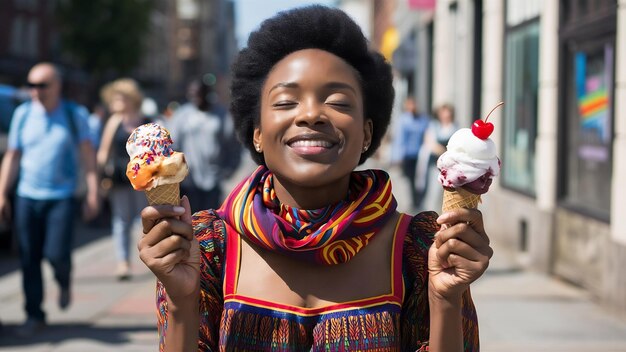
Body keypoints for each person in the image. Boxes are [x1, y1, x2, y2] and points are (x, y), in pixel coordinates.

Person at [139, 6, 491, 351]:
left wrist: (445, 299)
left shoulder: (422, 250)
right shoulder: (204, 249)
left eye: (337, 102)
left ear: (367, 134)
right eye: (286, 102)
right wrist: (180, 302)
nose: (311, 114)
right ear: (257, 132)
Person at [0, 62, 99, 336]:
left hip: (61, 197)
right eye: (31, 85)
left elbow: (88, 157)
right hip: (26, 196)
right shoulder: (22, 115)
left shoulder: (73, 114)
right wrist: (1, 194)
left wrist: (93, 191)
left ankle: (63, 279)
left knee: (56, 254)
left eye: (41, 85)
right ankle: (35, 314)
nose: (35, 91)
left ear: (57, 86)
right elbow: (12, 156)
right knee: (29, 257)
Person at [97, 78, 150, 280]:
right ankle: (123, 263)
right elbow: (103, 152)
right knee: (121, 220)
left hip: (144, 179)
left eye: (121, 97)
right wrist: (101, 176)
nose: (116, 100)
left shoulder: (146, 119)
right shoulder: (114, 121)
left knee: (145, 220)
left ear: (131, 99)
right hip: (120, 177)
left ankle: (150, 257)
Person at [167, 78, 241, 213]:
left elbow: (233, 144)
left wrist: (230, 169)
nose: (196, 97)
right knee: (191, 218)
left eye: (199, 93)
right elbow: (171, 144)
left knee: (209, 219)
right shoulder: (182, 114)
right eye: (192, 94)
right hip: (188, 179)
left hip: (212, 178)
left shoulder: (221, 114)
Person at [418, 103, 459, 213]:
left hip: (450, 168)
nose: (445, 115)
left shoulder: (455, 128)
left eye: (447, 112)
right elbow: (429, 144)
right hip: (435, 166)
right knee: (433, 193)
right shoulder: (434, 126)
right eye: (443, 112)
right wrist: (446, 152)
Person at [391, 96, 430, 210]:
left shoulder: (422, 119)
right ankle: (413, 201)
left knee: (419, 178)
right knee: (409, 178)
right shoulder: (403, 120)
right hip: (407, 155)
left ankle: (417, 201)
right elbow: (399, 139)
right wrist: (397, 156)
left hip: (420, 154)